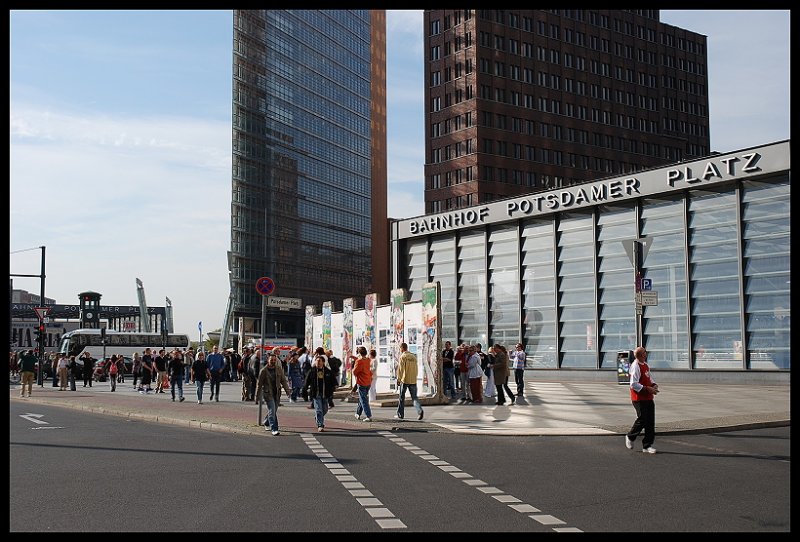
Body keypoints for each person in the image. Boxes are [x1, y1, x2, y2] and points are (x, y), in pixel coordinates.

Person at [625, 346, 660, 454]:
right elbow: (633, 384)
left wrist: (653, 385)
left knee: (650, 421)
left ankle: (647, 445)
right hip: (639, 398)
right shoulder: (635, 366)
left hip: (648, 397)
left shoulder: (645, 365)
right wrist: (646, 388)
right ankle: (630, 436)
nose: (646, 354)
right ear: (640, 355)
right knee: (642, 419)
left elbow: (649, 378)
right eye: (644, 352)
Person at [255, 351, 291, 435]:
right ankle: (274, 428)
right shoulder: (263, 371)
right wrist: (257, 398)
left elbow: (283, 381)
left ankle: (267, 422)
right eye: (272, 359)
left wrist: (288, 392)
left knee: (274, 410)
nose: (273, 361)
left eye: (275, 360)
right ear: (268, 360)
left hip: (277, 393)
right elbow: (259, 384)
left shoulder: (278, 369)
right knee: (272, 410)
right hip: (268, 394)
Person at [303, 353, 337, 432]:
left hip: (325, 393)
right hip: (316, 393)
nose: (318, 362)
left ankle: (318, 417)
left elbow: (333, 381)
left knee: (324, 409)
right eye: (317, 361)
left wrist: (334, 387)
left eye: (319, 361)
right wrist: (304, 390)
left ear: (323, 362)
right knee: (319, 409)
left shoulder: (328, 371)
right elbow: (306, 381)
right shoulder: (312, 371)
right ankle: (320, 425)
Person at [395, 342, 424, 420]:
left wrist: (399, 379)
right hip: (413, 380)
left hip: (405, 380)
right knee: (414, 397)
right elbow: (416, 368)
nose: (400, 349)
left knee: (401, 397)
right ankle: (419, 410)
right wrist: (415, 377)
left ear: (402, 348)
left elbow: (401, 370)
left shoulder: (403, 357)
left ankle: (400, 414)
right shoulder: (413, 356)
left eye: (400, 348)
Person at [351, 346, 373, 422]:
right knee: (362, 398)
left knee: (363, 400)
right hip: (368, 381)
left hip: (361, 382)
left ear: (359, 353)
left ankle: (368, 415)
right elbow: (362, 363)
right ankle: (358, 413)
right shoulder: (368, 360)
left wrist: (354, 365)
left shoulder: (359, 361)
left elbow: (354, 372)